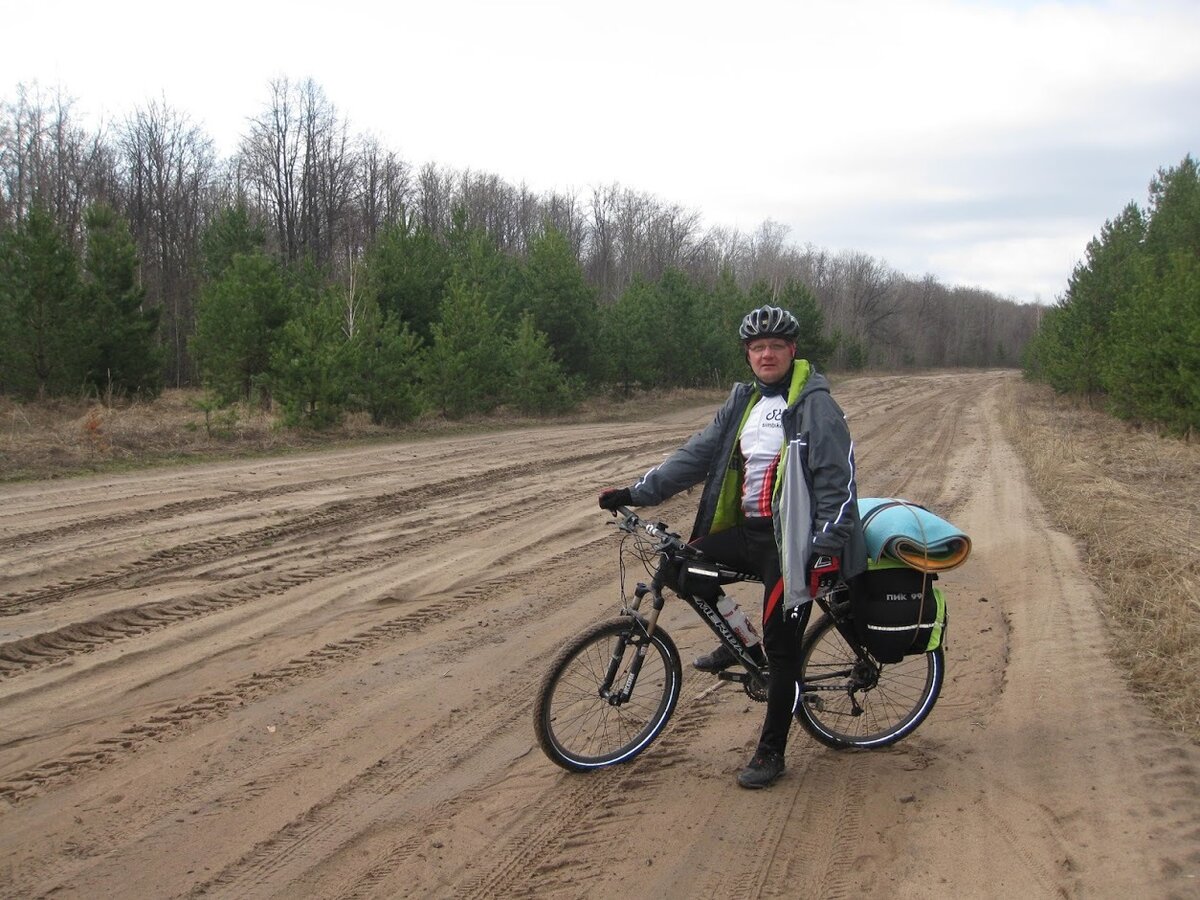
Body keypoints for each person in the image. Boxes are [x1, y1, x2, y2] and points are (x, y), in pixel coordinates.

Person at [598, 304, 866, 789]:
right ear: (748, 355)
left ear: (792, 351)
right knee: (681, 567)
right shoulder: (743, 402)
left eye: (776, 347)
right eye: (757, 348)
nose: (766, 354)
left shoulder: (815, 406)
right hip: (752, 532)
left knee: (784, 654)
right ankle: (740, 640)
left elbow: (838, 480)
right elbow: (696, 455)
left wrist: (826, 543)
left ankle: (771, 753)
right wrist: (636, 492)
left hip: (795, 545)